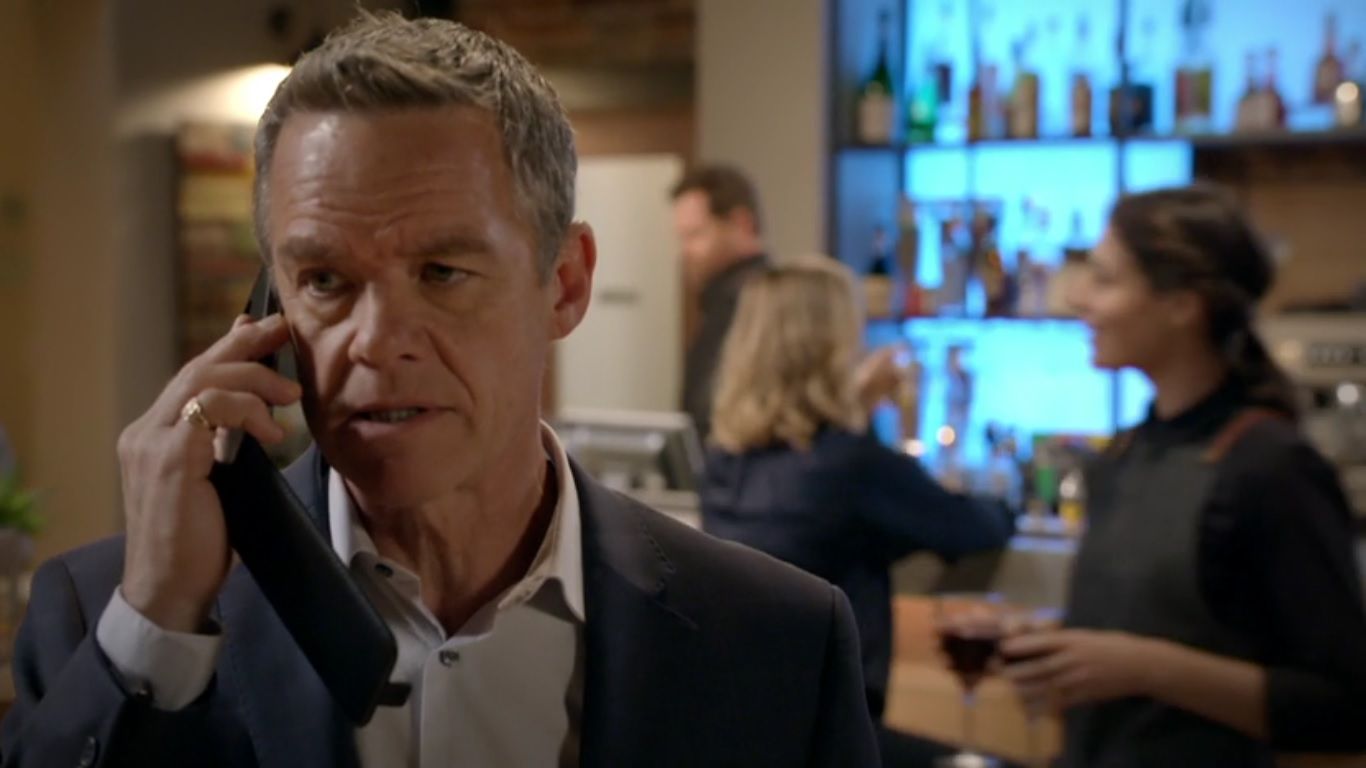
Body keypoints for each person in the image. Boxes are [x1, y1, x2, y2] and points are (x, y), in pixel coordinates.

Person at [0, 14, 880, 767]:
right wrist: (159, 627)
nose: (377, 339)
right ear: (268, 312)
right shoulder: (113, 613)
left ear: (565, 284)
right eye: (325, 280)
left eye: (443, 272)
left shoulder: (776, 639)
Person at [1000, 184, 1366, 766]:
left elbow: (1345, 707)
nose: (1076, 298)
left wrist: (1147, 669)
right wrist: (1060, 653)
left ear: (1182, 305)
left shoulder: (1271, 467)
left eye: (1104, 279)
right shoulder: (1125, 452)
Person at [699, 254, 1016, 732]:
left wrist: (856, 405)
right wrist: (1008, 496)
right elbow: (971, 527)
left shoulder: (722, 464)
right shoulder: (852, 467)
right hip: (833, 731)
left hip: (743, 723)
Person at [670, 165, 769, 441]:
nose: (685, 251)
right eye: (682, 238)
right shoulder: (718, 302)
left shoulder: (757, 304)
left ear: (742, 225)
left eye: (695, 235)